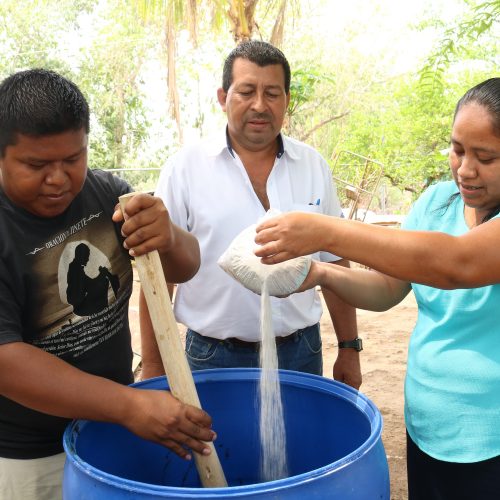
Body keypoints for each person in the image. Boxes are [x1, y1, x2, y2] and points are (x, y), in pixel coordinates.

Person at [254, 77, 500, 500]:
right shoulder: (436, 203)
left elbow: (456, 263)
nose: (465, 169)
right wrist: (321, 274)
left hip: (490, 442)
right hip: (429, 427)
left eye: (486, 157)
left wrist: (324, 231)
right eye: (458, 149)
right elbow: (388, 288)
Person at [0, 69, 216, 500]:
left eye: (73, 158)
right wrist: (129, 405)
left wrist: (169, 237)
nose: (58, 178)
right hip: (29, 459)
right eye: (37, 165)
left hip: (111, 431)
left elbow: (184, 268)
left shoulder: (107, 197)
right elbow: (7, 361)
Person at [140, 40, 360, 386]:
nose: (259, 105)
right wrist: (154, 365)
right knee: (211, 427)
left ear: (287, 100)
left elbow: (334, 261)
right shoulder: (185, 169)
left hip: (301, 352)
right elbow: (158, 273)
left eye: (272, 93)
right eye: (246, 92)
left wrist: (349, 347)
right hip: (213, 356)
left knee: (300, 426)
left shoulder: (313, 166)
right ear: (223, 97)